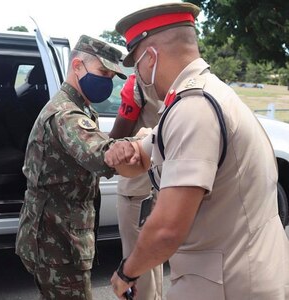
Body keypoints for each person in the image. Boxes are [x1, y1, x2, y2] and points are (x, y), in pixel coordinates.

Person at [106, 2, 289, 299]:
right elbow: (140, 157)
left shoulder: (194, 109)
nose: (137, 76)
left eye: (137, 64)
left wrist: (127, 272)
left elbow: (167, 228)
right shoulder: (197, 97)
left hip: (227, 283)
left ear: (151, 57)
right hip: (234, 274)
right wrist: (123, 153)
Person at [15, 35, 135, 300]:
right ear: (78, 66)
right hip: (58, 240)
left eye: (112, 76)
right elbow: (100, 154)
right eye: (103, 72)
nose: (107, 81)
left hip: (55, 234)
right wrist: (141, 145)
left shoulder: (79, 108)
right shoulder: (66, 114)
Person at [109, 73, 163, 300]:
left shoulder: (137, 84)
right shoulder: (174, 82)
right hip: (161, 179)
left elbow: (118, 135)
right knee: (153, 255)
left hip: (136, 183)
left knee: (136, 259)